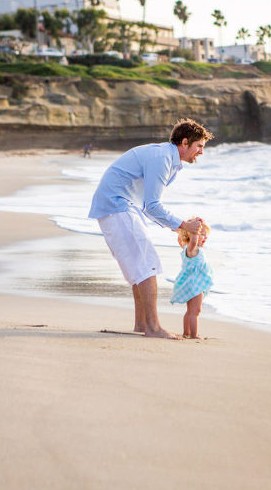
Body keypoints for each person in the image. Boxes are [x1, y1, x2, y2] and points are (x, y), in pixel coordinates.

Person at [88, 118, 213, 339]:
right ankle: (153, 328)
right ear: (184, 142)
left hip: (119, 207)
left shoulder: (168, 159)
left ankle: (142, 324)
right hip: (117, 205)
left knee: (141, 267)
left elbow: (148, 206)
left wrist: (179, 228)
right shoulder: (163, 158)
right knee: (148, 265)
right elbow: (152, 205)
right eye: (199, 146)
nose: (201, 152)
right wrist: (183, 225)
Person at [170, 219, 213, 339]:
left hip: (190, 283)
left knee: (190, 311)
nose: (205, 237)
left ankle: (186, 332)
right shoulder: (192, 248)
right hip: (195, 284)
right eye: (201, 234)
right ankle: (194, 335)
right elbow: (193, 239)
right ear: (192, 234)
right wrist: (194, 228)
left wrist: (182, 230)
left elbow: (181, 238)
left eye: (205, 235)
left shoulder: (185, 247)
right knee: (195, 311)